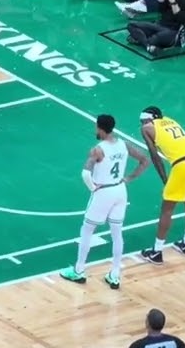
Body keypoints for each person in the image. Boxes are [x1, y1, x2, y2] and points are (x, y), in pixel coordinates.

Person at [60, 114, 150, 289]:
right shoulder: (124, 144)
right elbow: (144, 160)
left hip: (104, 192)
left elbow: (85, 173)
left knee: (87, 230)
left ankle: (78, 270)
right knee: (117, 233)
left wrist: (93, 188)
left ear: (99, 128)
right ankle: (115, 275)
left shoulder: (98, 150)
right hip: (120, 190)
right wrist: (130, 178)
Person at [138, 107, 185, 265]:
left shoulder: (147, 128)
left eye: (143, 121)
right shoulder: (171, 122)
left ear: (149, 119)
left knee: (167, 210)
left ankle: (156, 252)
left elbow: (155, 156)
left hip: (182, 165)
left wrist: (164, 178)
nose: (142, 124)